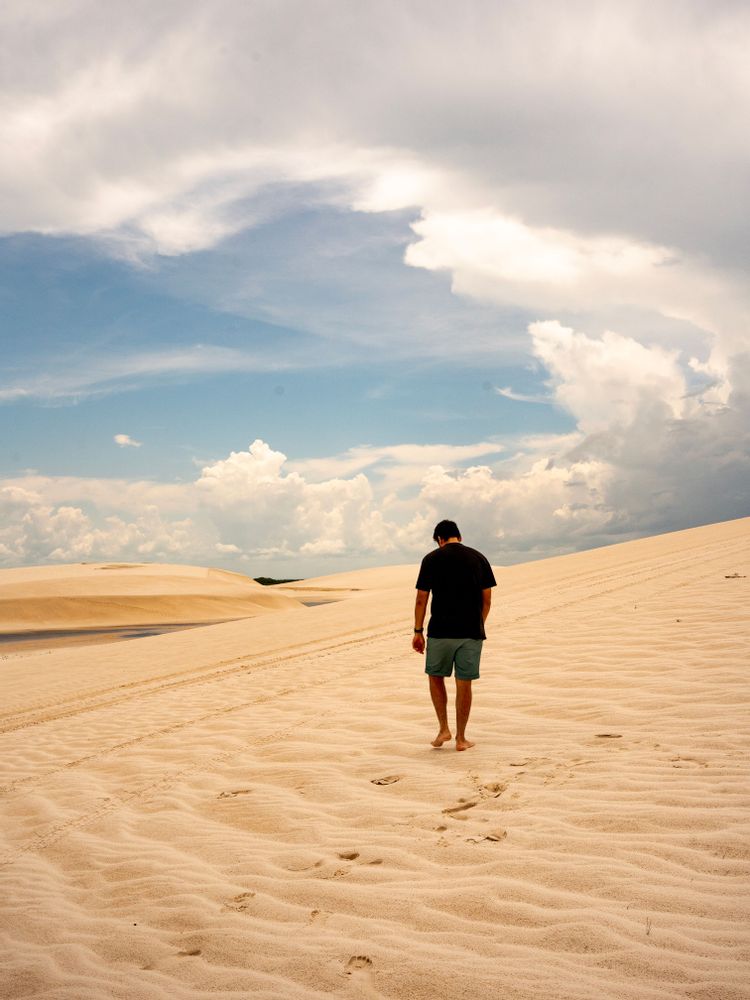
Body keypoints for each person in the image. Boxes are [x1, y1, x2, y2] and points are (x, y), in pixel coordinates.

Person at [412, 520, 496, 751]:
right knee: (464, 683)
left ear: (439, 539)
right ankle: (461, 738)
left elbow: (422, 598)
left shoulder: (431, 559)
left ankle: (443, 729)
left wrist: (418, 631)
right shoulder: (479, 558)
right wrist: (478, 624)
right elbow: (486, 599)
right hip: (470, 632)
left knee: (435, 677)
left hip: (440, 631)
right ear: (458, 535)